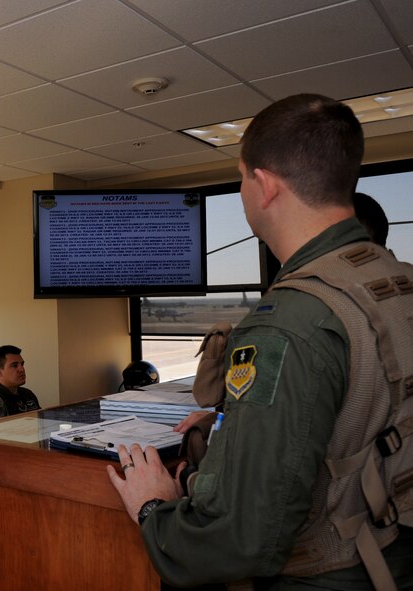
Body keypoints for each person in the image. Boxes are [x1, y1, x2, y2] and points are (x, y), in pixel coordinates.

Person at [107, 94, 413, 589]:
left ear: (264, 184)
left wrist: (154, 508)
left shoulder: (291, 320)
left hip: (330, 570)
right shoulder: (393, 280)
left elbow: (238, 538)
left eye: (242, 176)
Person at [0, 345, 41, 415]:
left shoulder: (28, 394)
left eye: (22, 364)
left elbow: (41, 420)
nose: (22, 369)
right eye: (14, 365)